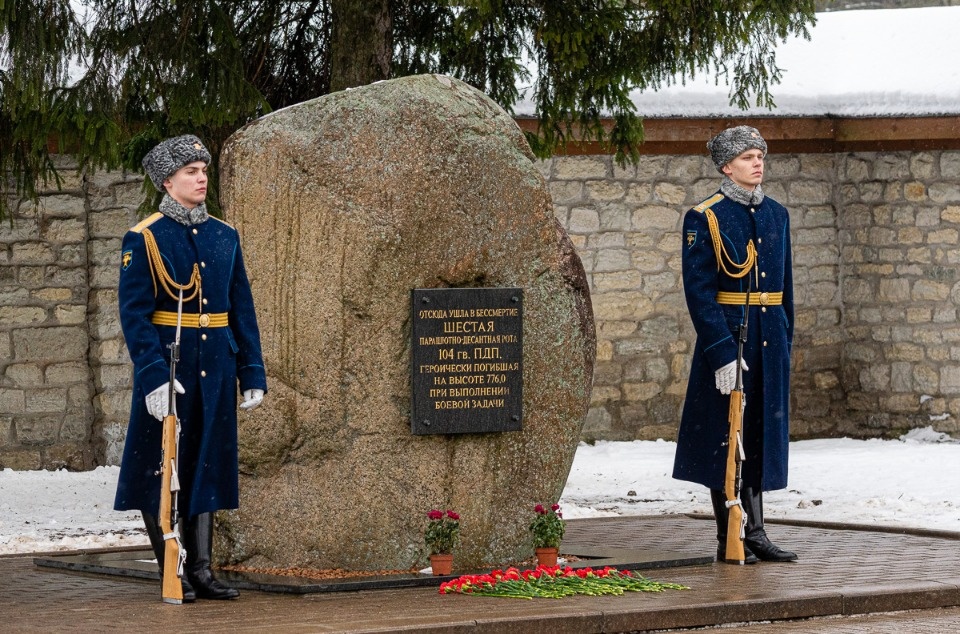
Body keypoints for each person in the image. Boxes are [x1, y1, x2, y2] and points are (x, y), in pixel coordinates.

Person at [114, 134, 268, 600]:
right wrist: (154, 376)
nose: (201, 179)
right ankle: (172, 570)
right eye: (190, 172)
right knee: (158, 470)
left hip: (218, 367)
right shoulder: (144, 238)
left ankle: (201, 569)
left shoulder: (225, 235)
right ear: (167, 181)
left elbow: (242, 307)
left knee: (207, 466)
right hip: (170, 368)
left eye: (203, 171)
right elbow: (135, 316)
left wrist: (253, 371)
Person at [672, 126, 797, 564]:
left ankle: (758, 531)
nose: (758, 162)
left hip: (769, 341)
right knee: (726, 437)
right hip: (730, 339)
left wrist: (785, 341)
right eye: (747, 157)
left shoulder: (777, 214)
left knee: (760, 433)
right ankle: (732, 533)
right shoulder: (705, 216)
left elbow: (785, 290)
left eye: (760, 154)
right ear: (726, 166)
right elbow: (700, 293)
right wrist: (722, 353)